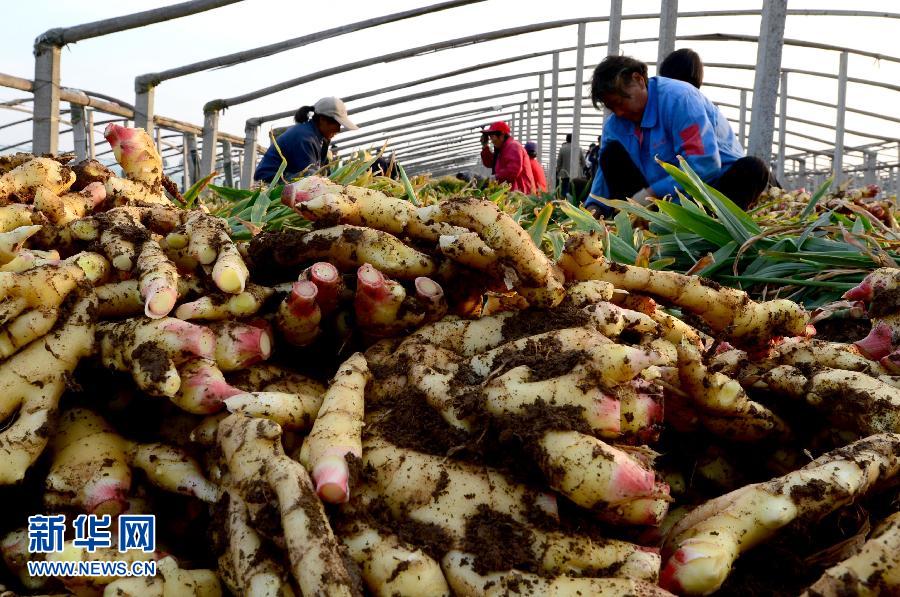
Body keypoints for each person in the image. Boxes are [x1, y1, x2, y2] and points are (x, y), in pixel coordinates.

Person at [584, 55, 776, 215]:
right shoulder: (616, 124)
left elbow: (704, 164)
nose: (618, 112)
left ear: (638, 80)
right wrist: (594, 205)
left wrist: (652, 193)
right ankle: (644, 222)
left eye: (620, 102)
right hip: (658, 198)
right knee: (610, 155)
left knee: (753, 169)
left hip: (709, 190)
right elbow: (604, 172)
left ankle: (714, 228)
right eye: (611, 107)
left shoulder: (680, 99)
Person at [254, 96, 358, 183]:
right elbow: (309, 179)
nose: (339, 129)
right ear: (322, 120)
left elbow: (321, 171)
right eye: (337, 124)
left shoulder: (318, 138)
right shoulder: (304, 138)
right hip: (269, 185)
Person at [480, 121, 535, 194]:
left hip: (520, 194)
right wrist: (485, 146)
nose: (491, 140)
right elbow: (490, 163)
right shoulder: (503, 149)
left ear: (502, 135)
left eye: (492, 137)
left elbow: (513, 171)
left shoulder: (513, 146)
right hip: (513, 193)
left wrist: (495, 178)